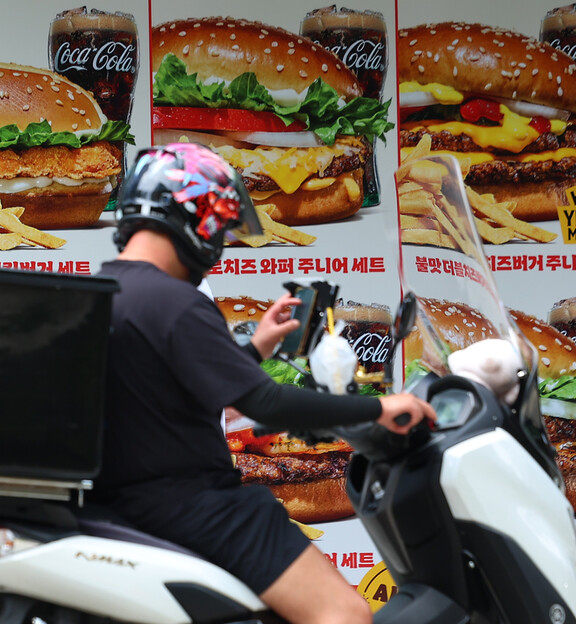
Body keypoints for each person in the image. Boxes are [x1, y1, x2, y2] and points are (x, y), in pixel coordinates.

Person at [93, 143, 436, 624]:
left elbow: (168, 386)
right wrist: (380, 409)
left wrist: (257, 348)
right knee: (345, 614)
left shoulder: (105, 291)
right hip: (202, 510)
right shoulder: (178, 301)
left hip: (125, 509)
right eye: (221, 228)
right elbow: (266, 403)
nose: (220, 245)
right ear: (197, 221)